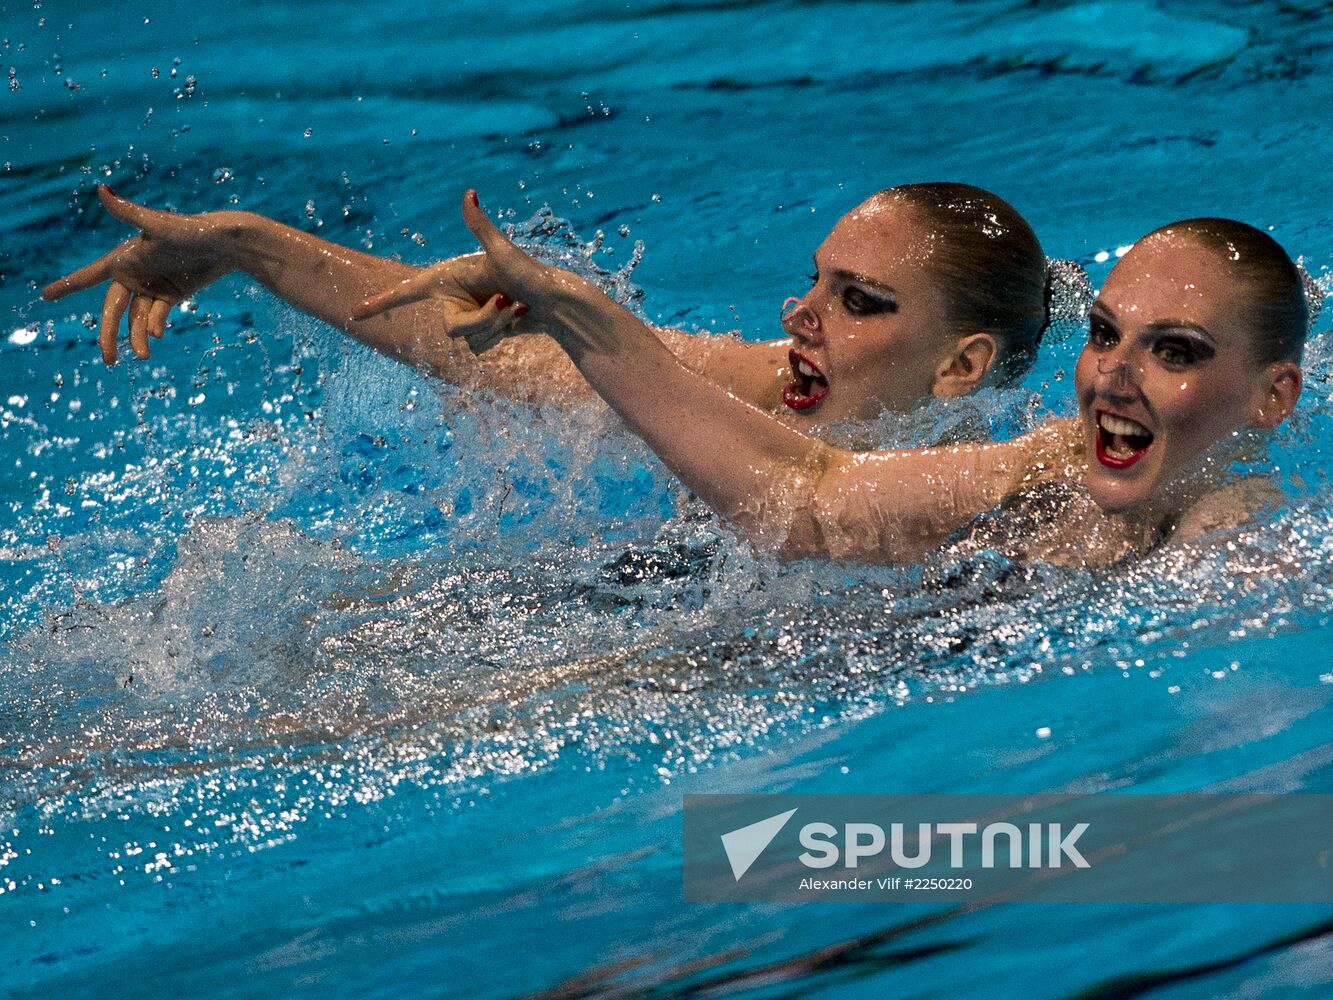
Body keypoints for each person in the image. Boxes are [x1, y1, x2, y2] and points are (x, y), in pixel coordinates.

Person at [365, 191, 1311, 566]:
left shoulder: (1230, 542)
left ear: (1274, 394)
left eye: (1175, 350)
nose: (1113, 377)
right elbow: (809, 499)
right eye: (1105, 335)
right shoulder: (1042, 463)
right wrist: (249, 244)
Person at [42, 182, 1057, 430]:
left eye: (858, 301)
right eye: (815, 281)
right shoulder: (754, 386)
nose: (798, 314)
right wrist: (247, 244)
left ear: (961, 368)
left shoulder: (986, 497)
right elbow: (491, 358)